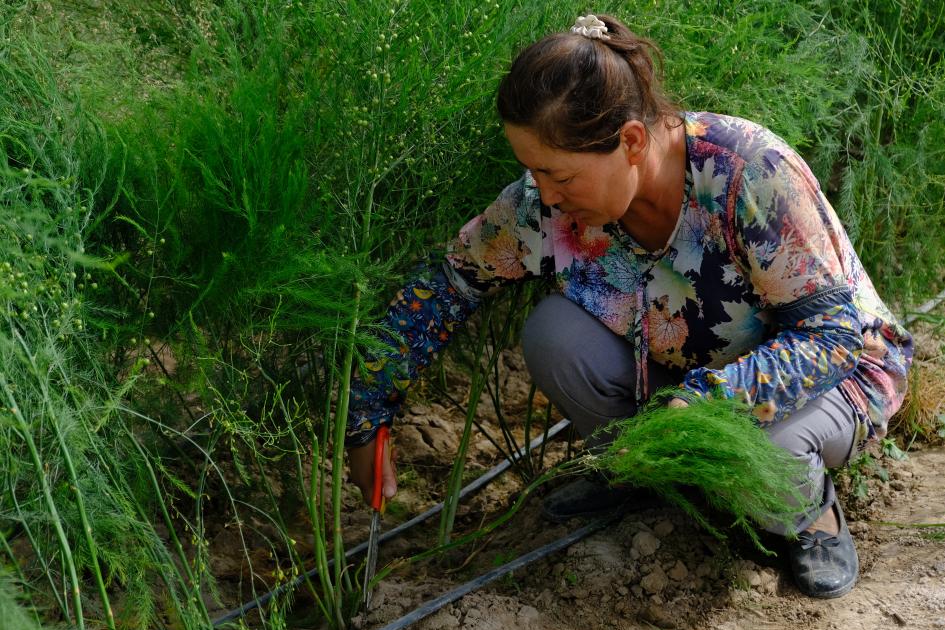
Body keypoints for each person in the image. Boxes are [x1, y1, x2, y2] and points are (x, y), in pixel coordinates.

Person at [343, 14, 913, 599]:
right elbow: (444, 287)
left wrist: (708, 404)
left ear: (632, 142)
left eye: (558, 174)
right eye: (533, 171)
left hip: (832, 376)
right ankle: (645, 475)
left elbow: (831, 335)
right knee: (554, 336)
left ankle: (810, 515)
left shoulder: (747, 173)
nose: (545, 195)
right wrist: (365, 415)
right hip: (682, 383)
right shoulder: (544, 205)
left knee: (763, 449)